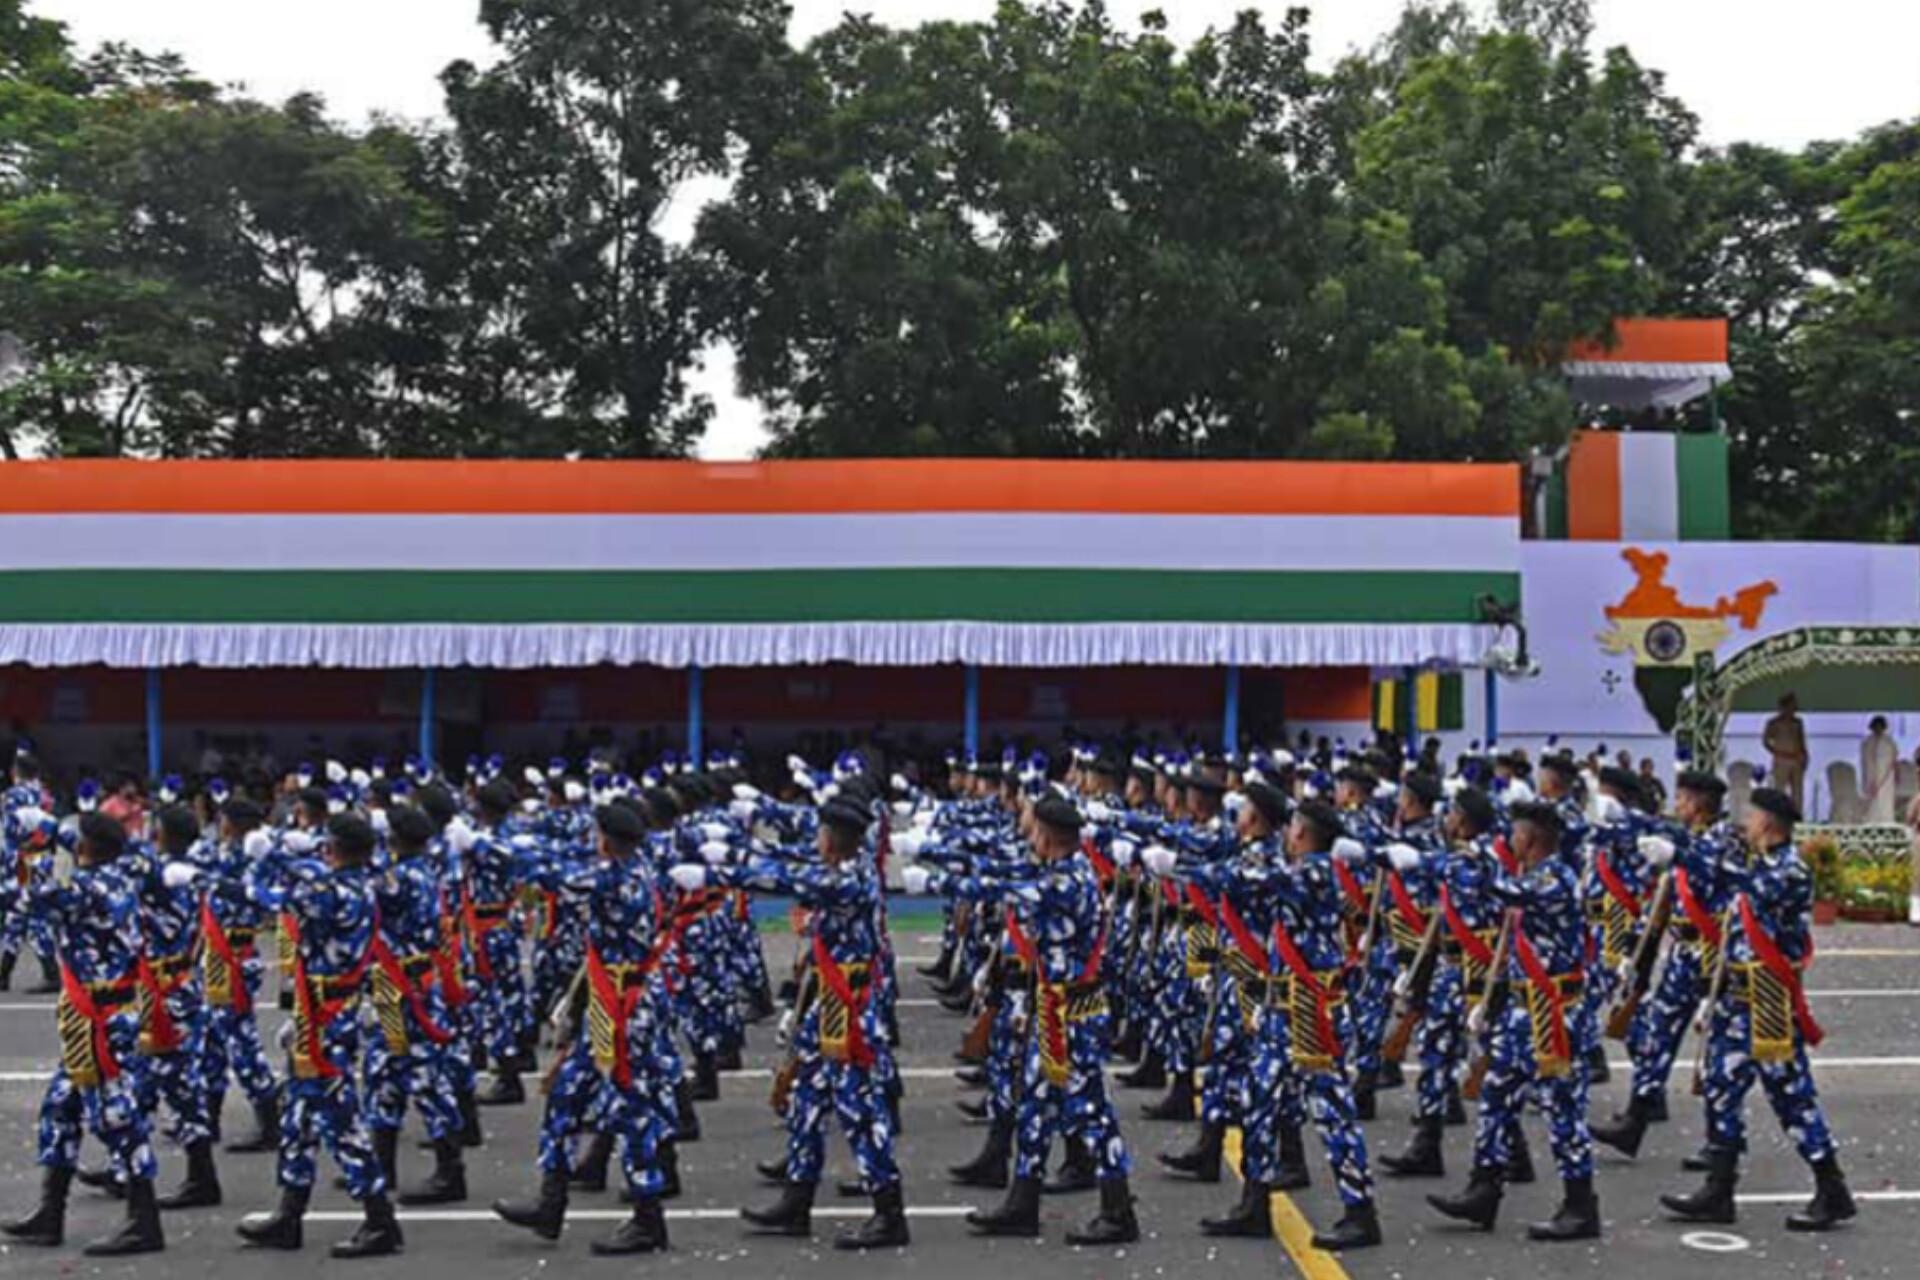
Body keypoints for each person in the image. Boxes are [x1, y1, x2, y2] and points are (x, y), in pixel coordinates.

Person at [1661, 787, 1857, 1233]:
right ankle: (1718, 1189)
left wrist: (1682, 854)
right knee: (1719, 1087)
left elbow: (1744, 886)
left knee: (1791, 1097)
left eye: (1751, 817)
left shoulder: (1789, 871)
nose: (1745, 824)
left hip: (1768, 1001)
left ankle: (1832, 1187)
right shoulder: (1758, 864)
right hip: (1735, 999)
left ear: (1768, 823)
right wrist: (1716, 991)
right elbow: (1734, 930)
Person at [1, 811, 166, 1256]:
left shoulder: (86, 888)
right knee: (61, 1108)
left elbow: (22, 900)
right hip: (96, 1014)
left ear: (86, 847)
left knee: (115, 1116)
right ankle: (49, 1212)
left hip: (99, 1018)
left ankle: (143, 1220)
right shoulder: (116, 877)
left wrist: (33, 848)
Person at [1764, 695, 1809, 816]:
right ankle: (1778, 815)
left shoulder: (1798, 723)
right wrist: (1777, 751)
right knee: (1779, 789)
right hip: (1782, 760)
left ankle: (1797, 815)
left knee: (1798, 792)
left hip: (1796, 759)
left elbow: (1801, 740)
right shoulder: (1774, 723)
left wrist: (1804, 756)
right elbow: (1766, 741)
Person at [1860, 717, 1899, 825]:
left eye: (1880, 726)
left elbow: (1893, 761)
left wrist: (1887, 778)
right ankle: (1870, 821)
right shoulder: (1867, 742)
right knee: (1871, 803)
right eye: (1875, 727)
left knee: (1884, 802)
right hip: (1870, 776)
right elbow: (1864, 762)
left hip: (1885, 778)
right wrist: (1869, 780)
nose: (1877, 729)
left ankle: (1886, 822)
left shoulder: (1889, 742)